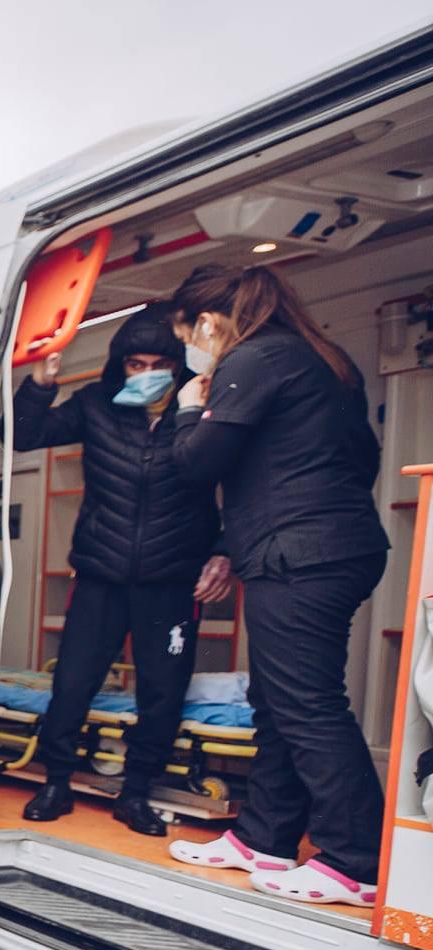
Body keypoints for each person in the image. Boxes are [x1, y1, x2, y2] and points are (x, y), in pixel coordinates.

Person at [163, 263, 389, 908]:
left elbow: (196, 464)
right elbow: (360, 460)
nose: (193, 348)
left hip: (301, 555)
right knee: (280, 700)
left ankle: (357, 858)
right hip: (325, 547)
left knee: (308, 705)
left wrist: (187, 410)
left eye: (190, 334)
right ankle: (264, 837)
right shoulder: (324, 359)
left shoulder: (253, 359)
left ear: (206, 323)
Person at [12, 305, 231, 836]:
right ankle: (55, 783)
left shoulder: (203, 414)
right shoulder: (94, 406)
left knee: (163, 691)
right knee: (72, 683)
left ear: (178, 367)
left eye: (159, 362)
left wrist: (227, 551)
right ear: (120, 367)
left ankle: (137, 795)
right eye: (136, 363)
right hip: (100, 575)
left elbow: (241, 486)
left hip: (173, 580)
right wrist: (41, 382)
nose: (147, 372)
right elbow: (21, 434)